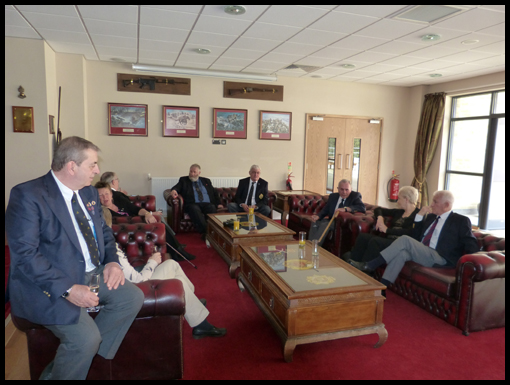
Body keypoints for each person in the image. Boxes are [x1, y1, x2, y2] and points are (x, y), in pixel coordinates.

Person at [5, 136, 144, 380]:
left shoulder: (88, 192)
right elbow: (25, 256)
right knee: (86, 339)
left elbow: (103, 232)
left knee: (131, 297)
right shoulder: (28, 195)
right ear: (71, 166)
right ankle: (79, 356)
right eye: (92, 165)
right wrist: (69, 289)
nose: (97, 170)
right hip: (48, 284)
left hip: (91, 273)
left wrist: (112, 261)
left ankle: (65, 368)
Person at [101, 208, 226, 339]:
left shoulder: (100, 245)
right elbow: (138, 280)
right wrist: (152, 262)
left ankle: (189, 301)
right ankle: (201, 325)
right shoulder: (111, 251)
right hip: (136, 291)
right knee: (179, 283)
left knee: (172, 264)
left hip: (130, 285)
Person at [348, 190, 480, 293]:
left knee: (404, 240)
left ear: (447, 205)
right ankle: (382, 289)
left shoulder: (460, 220)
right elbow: (416, 235)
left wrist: (473, 259)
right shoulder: (430, 217)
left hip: (441, 257)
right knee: (403, 253)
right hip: (423, 251)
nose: (431, 204)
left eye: (435, 202)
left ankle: (370, 265)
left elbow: (469, 241)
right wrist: (419, 216)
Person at [95, 182, 195, 261]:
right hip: (131, 231)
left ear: (111, 194)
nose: (105, 197)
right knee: (157, 225)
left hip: (139, 224)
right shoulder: (103, 212)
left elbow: (136, 209)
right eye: (101, 195)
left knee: (157, 221)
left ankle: (177, 248)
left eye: (106, 194)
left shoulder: (119, 201)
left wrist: (148, 214)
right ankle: (177, 252)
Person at [346, 186, 420, 262]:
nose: (397, 201)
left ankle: (364, 269)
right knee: (363, 237)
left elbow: (410, 232)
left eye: (399, 198)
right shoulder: (399, 211)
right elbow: (378, 209)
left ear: (406, 199)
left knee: (375, 241)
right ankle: (352, 263)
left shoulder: (418, 215)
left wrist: (387, 230)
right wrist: (380, 218)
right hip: (388, 240)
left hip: (399, 244)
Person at [169, 164, 223, 239]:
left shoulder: (206, 181)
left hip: (207, 203)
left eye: (194, 172)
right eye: (191, 171)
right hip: (193, 203)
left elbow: (214, 193)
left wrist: (218, 204)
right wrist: (174, 190)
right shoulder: (184, 180)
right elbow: (177, 187)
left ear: (199, 173)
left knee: (212, 208)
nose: (192, 174)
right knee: (194, 209)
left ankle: (213, 231)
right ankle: (206, 232)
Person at [308, 179, 366, 246]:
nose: (344, 192)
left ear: (351, 189)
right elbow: (326, 209)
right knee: (315, 221)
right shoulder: (333, 196)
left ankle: (314, 246)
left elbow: (362, 208)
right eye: (342, 189)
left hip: (341, 223)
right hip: (331, 220)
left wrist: (346, 209)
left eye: (347, 190)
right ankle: (310, 244)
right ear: (338, 189)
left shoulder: (355, 196)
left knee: (325, 224)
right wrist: (318, 216)